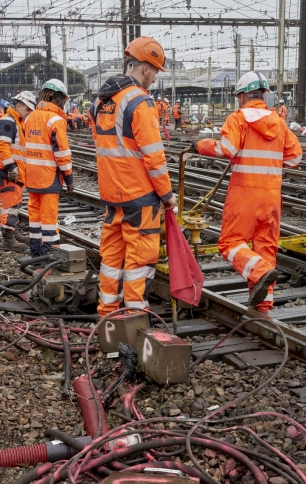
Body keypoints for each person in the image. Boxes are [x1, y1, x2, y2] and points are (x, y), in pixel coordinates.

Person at [197, 71, 302, 313]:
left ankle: (261, 272)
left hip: (245, 193)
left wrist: (201, 145)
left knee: (230, 243)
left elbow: (227, 148)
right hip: (272, 196)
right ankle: (264, 303)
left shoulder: (238, 118)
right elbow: (295, 158)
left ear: (243, 95)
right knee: (265, 246)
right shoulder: (279, 122)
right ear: (264, 95)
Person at [89, 36, 177, 317]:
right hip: (139, 196)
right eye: (154, 72)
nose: (153, 79)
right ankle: (136, 318)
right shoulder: (140, 101)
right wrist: (167, 195)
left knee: (111, 258)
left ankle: (107, 314)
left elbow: (105, 148)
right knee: (139, 260)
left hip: (112, 194)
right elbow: (154, 157)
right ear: (145, 68)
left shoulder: (100, 102)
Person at [24, 79, 73, 258]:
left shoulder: (30, 117)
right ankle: (51, 255)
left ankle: (36, 253)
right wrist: (68, 177)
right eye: (64, 99)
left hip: (32, 176)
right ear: (58, 97)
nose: (64, 103)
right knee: (49, 219)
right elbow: (61, 152)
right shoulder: (55, 120)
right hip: (49, 177)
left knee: (35, 218)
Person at [0, 91, 37, 251]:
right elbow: (2, 146)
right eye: (28, 109)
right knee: (9, 205)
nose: (29, 112)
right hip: (7, 171)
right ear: (20, 105)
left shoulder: (16, 122)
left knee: (15, 204)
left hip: (13, 172)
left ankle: (12, 232)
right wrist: (11, 167)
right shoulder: (8, 122)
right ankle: (8, 239)